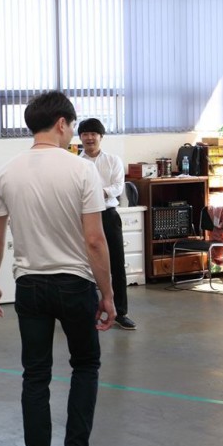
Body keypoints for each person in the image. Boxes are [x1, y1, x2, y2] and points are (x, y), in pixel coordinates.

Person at [0, 91, 116, 446]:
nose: (73, 134)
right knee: (85, 366)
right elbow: (95, 241)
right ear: (61, 123)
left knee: (35, 374)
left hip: (29, 286)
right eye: (72, 127)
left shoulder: (6, 173)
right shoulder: (82, 170)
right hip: (75, 284)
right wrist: (107, 294)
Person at [78, 118, 137, 331]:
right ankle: (88, 311)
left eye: (93, 134)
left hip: (109, 215)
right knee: (84, 265)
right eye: (85, 134)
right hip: (84, 216)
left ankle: (121, 312)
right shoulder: (76, 163)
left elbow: (118, 187)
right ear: (80, 137)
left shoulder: (113, 160)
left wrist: (97, 192)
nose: (89, 138)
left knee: (117, 264)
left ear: (101, 137)